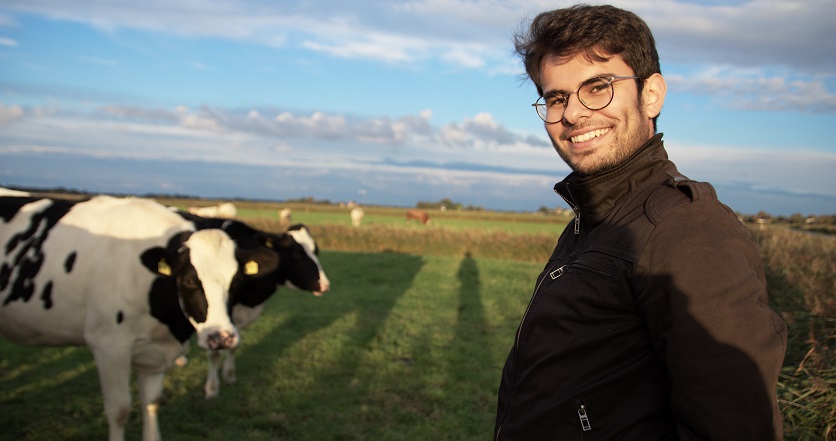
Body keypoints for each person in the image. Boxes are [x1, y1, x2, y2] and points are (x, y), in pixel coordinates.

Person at [495, 5, 787, 440]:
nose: (573, 114)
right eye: (557, 98)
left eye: (598, 87)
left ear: (651, 94)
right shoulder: (596, 218)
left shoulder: (689, 230)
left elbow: (734, 426)